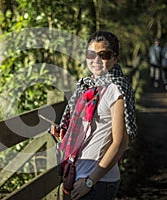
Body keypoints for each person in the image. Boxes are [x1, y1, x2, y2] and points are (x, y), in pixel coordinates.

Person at [51, 30, 137, 200]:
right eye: (91, 54)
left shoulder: (115, 89)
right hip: (80, 175)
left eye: (103, 55)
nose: (96, 60)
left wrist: (90, 181)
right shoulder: (89, 87)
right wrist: (66, 134)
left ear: (115, 58)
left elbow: (121, 143)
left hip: (98, 181)